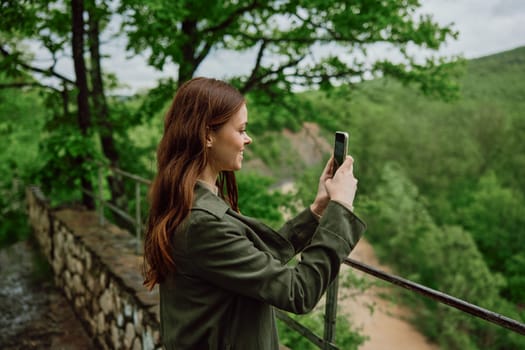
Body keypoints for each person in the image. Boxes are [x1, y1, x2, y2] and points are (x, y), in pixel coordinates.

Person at [143, 77, 366, 350]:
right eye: (241, 130)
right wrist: (340, 209)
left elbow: (254, 261)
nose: (248, 139)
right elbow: (299, 292)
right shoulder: (203, 223)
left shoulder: (188, 202)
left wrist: (317, 211)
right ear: (207, 135)